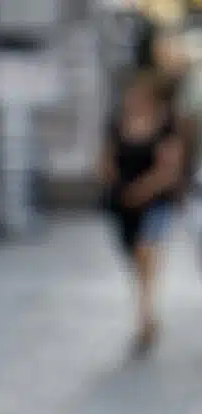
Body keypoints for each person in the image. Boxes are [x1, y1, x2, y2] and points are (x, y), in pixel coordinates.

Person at [98, 69, 184, 357]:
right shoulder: (118, 123)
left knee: (145, 250)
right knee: (134, 256)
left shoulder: (164, 124)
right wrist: (117, 184)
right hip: (123, 203)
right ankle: (145, 306)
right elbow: (106, 159)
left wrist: (143, 190)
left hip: (155, 201)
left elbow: (169, 168)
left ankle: (145, 315)